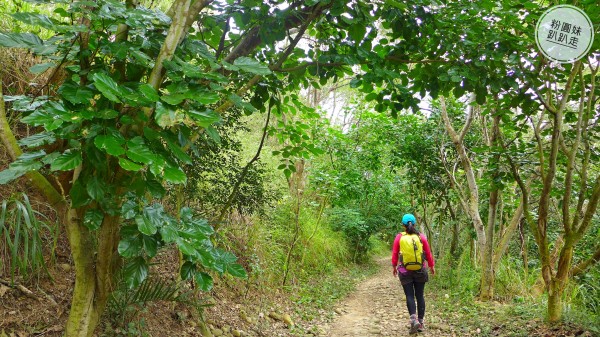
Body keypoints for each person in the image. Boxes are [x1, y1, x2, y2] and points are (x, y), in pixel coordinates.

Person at [391, 213, 435, 334]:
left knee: (409, 296)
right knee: (420, 295)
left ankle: (413, 319)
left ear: (403, 225)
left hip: (405, 271)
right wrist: (431, 266)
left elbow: (395, 254)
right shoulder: (421, 237)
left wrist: (394, 266)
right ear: (414, 224)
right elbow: (428, 253)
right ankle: (420, 323)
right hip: (420, 270)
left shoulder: (399, 237)